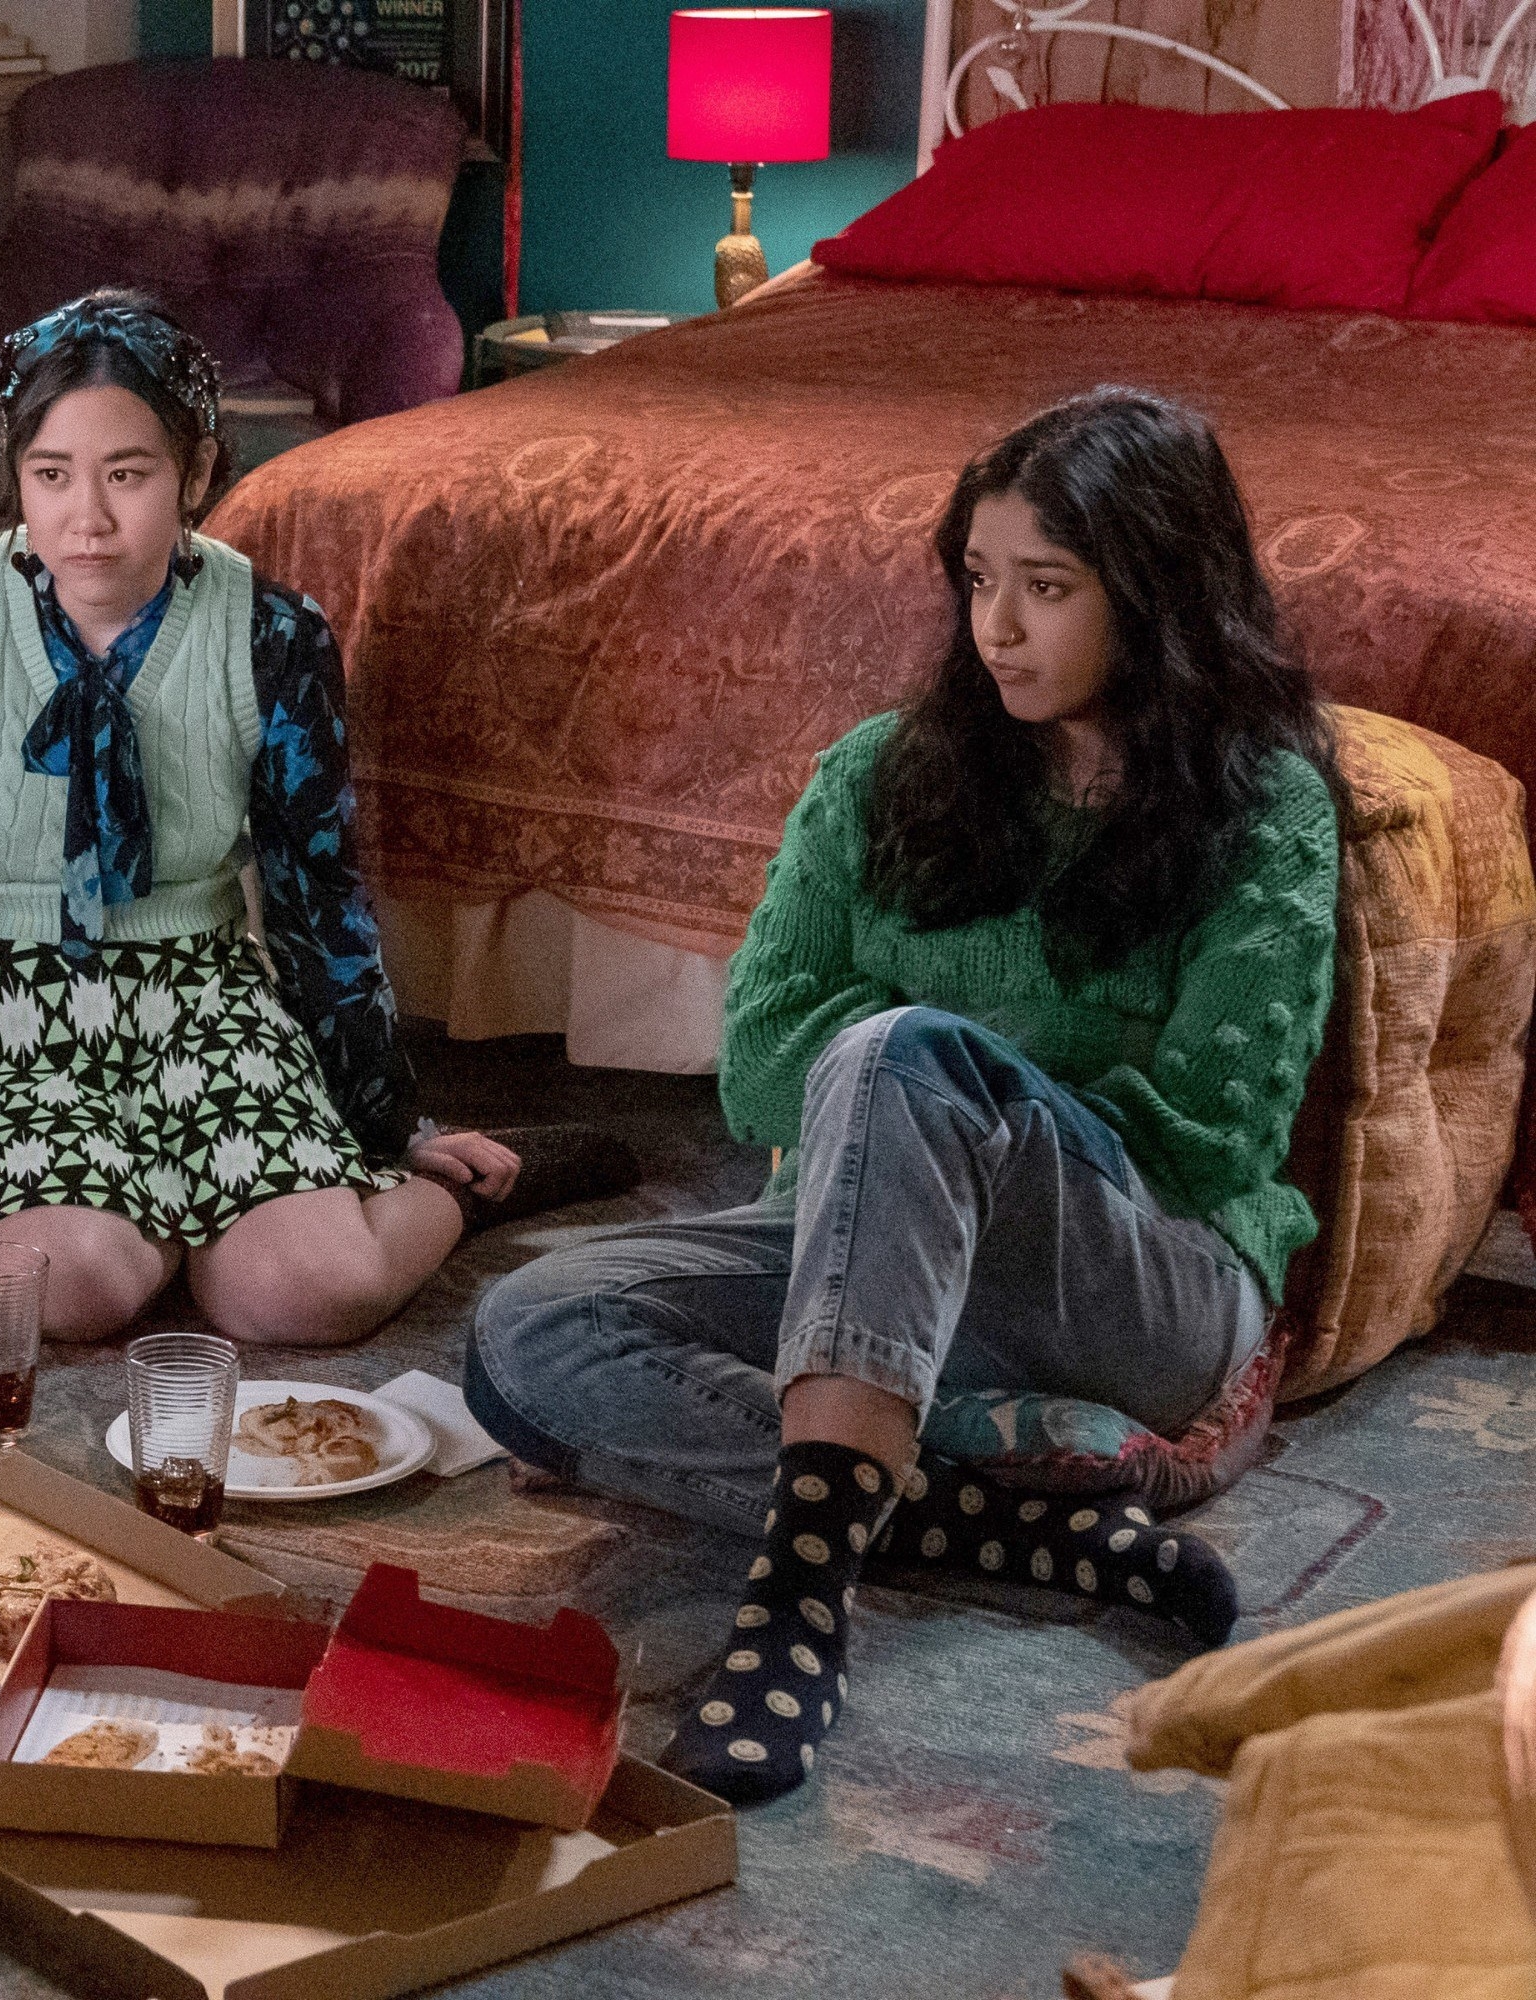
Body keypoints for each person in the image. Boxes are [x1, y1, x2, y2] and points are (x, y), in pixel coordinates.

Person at [465, 388, 1345, 1803]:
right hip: (862, 1263)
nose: (996, 628)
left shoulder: (1267, 809)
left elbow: (1210, 1132)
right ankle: (999, 1521)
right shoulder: (881, 776)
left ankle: (796, 1617)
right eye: (979, 581)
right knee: (524, 1336)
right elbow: (756, 1067)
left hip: (1138, 1277)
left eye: (1046, 589)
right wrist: (943, 1097)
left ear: (1160, 593)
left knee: (895, 1061)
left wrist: (955, 1089)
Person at [0, 290, 636, 1343]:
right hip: (9, 1009)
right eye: (51, 475)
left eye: (129, 474)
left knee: (309, 1296)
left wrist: (392, 1122)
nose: (86, 517)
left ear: (195, 473)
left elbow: (318, 902)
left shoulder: (272, 632)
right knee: (64, 1289)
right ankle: (160, 1232)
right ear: (17, 474)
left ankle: (454, 1197)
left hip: (206, 995)